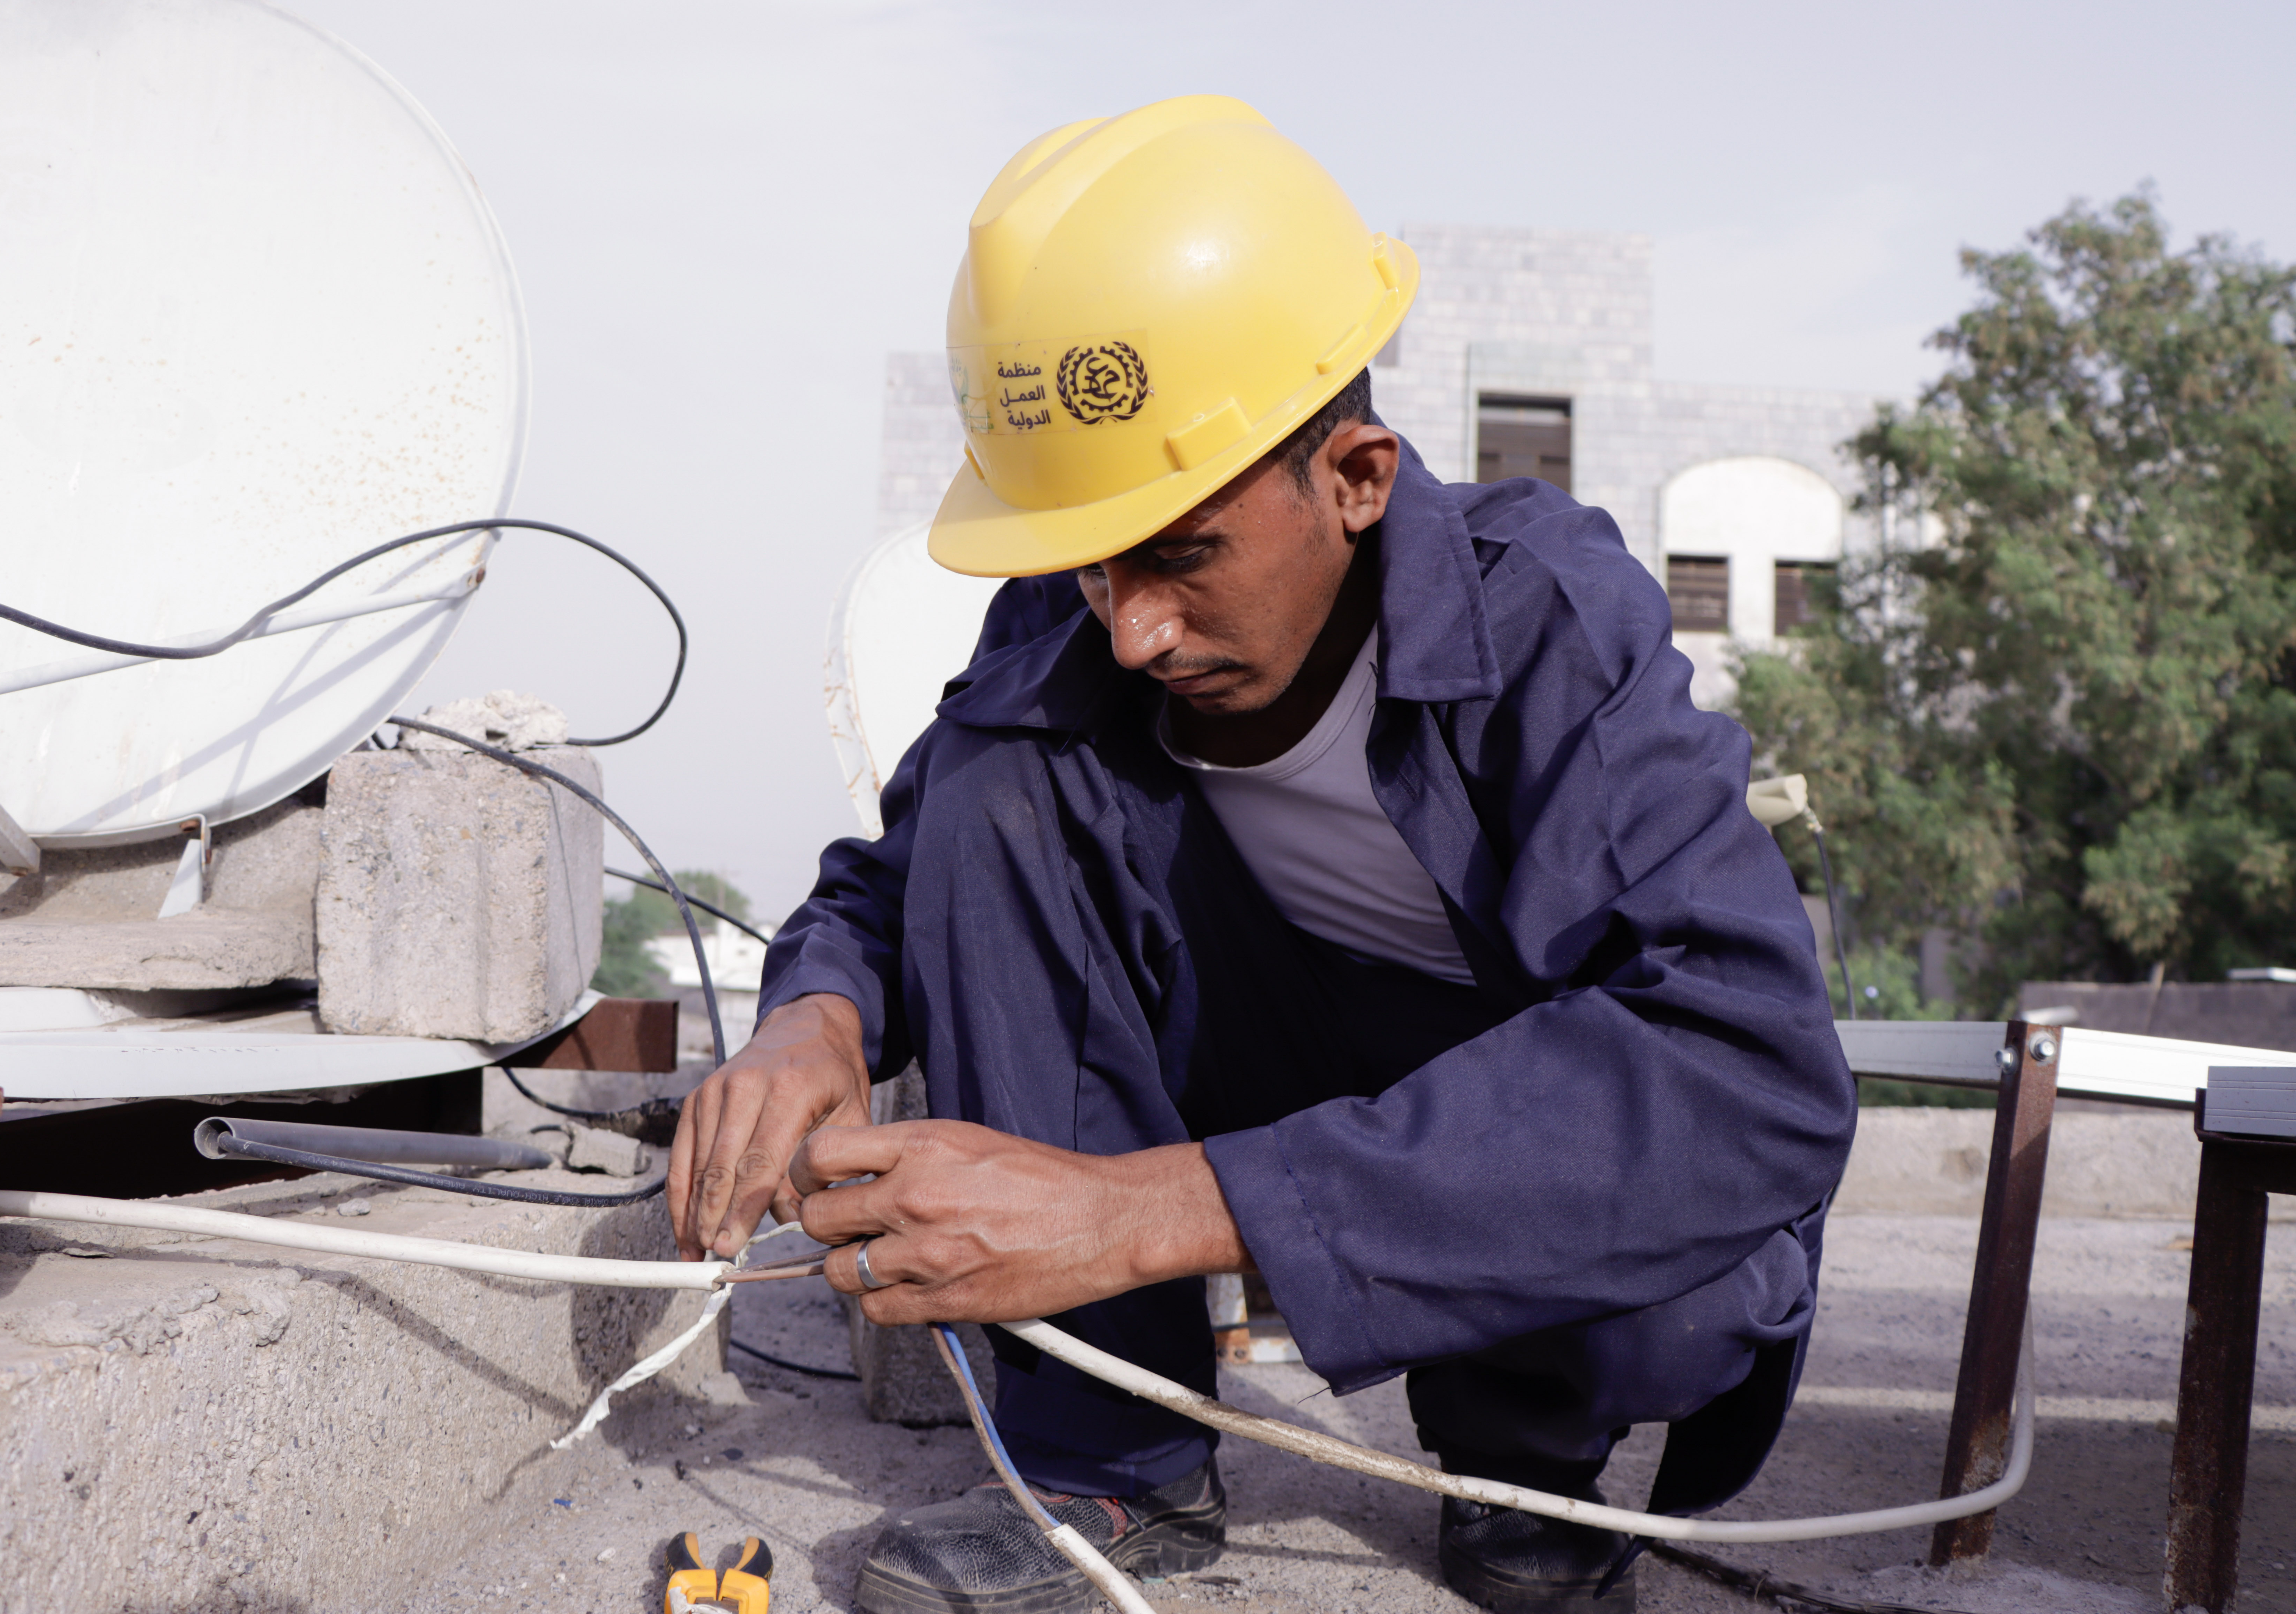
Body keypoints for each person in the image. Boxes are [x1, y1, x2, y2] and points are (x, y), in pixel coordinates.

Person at [669, 95, 1855, 1614]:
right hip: (1261, 1051)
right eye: (1092, 560)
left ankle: (1527, 1453)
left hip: (1495, 1092)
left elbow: (1746, 1071)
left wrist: (1121, 1211)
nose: (1134, 624)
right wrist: (812, 1016)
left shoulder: (1547, 620)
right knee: (992, 782)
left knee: (1676, 1290)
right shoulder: (1075, 610)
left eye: (1181, 551)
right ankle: (1107, 1456)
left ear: (1355, 477)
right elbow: (904, 882)